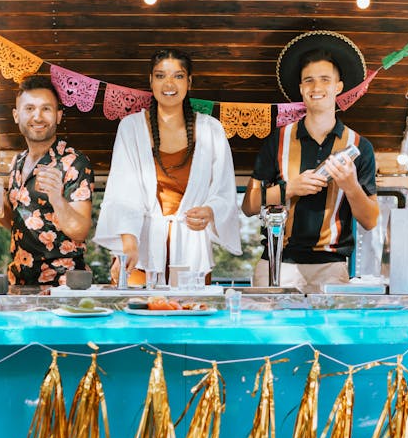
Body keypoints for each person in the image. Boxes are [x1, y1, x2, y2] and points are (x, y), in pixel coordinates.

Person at [242, 31, 379, 293]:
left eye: (325, 80)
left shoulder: (360, 147)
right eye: (309, 81)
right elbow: (248, 205)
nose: (317, 88)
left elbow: (370, 221)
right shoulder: (278, 140)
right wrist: (289, 189)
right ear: (301, 89)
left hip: (332, 268)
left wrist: (350, 185)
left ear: (338, 87)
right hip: (277, 265)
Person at [94, 48, 242, 284]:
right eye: (161, 75)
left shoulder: (211, 130)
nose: (169, 83)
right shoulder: (131, 128)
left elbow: (224, 189)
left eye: (178, 76)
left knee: (192, 316)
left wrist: (210, 211)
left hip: (192, 248)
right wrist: (128, 245)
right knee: (137, 316)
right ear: (150, 81)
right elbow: (121, 193)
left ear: (189, 82)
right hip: (139, 247)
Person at [0, 74, 94, 287]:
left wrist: (57, 199)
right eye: (29, 109)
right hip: (20, 282)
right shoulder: (17, 163)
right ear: (16, 115)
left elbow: (80, 231)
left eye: (46, 109)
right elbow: (18, 225)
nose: (37, 117)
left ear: (58, 116)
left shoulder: (73, 162)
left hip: (63, 286)